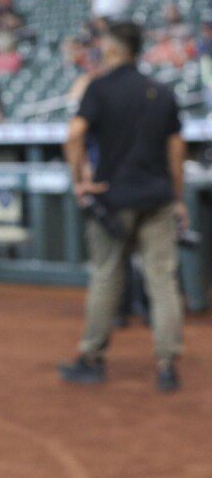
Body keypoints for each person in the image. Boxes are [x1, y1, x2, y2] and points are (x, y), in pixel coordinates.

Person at [58, 21, 185, 392]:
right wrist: (177, 198)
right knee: (162, 279)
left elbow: (74, 134)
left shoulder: (99, 89)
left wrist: (80, 179)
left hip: (113, 199)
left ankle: (92, 358)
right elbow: (176, 151)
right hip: (158, 198)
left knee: (106, 275)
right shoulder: (160, 91)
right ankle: (167, 365)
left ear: (113, 50)